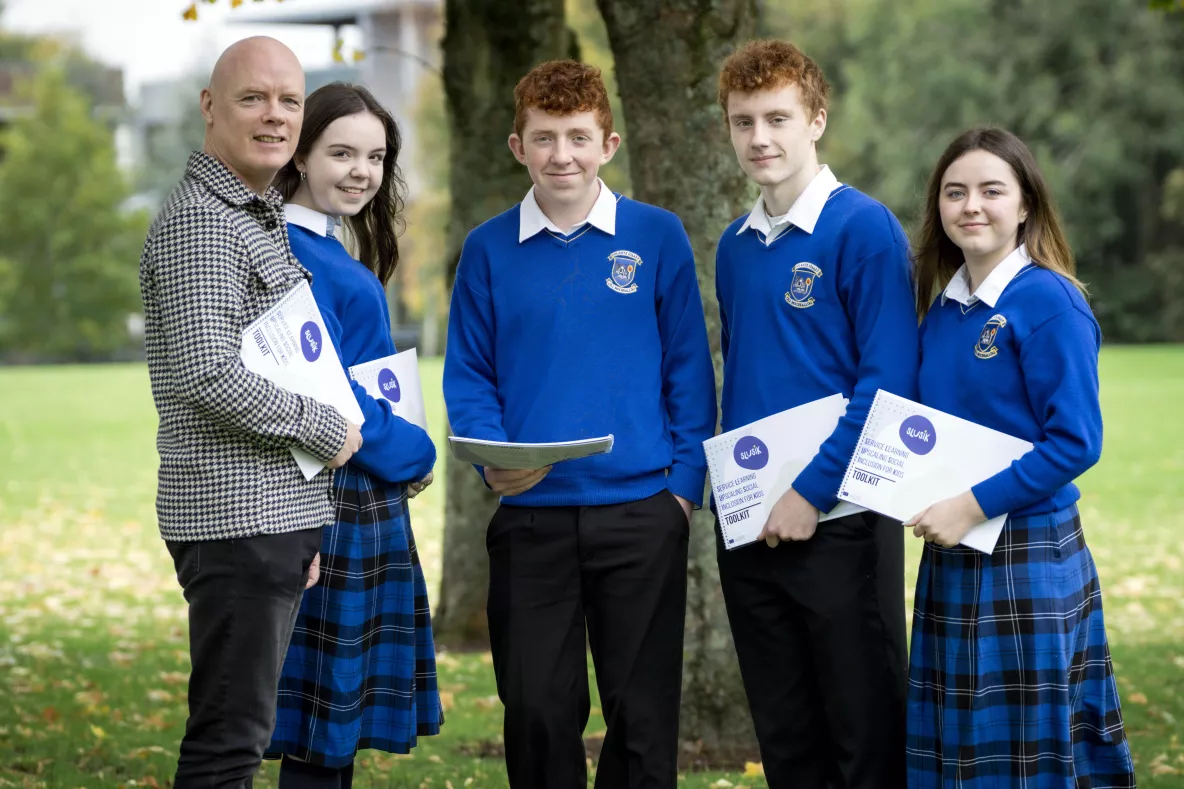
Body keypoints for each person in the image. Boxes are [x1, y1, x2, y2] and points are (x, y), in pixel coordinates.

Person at [442, 59, 717, 789]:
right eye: (543, 138)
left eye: (577, 137)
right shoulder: (486, 249)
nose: (561, 154)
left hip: (641, 513)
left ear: (609, 143)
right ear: (516, 146)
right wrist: (491, 461)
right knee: (535, 705)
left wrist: (682, 493)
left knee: (642, 713)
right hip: (531, 514)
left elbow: (688, 369)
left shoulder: (657, 238)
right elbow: (468, 375)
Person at [138, 37, 363, 789]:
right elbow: (209, 374)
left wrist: (302, 516)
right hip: (237, 524)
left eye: (290, 101)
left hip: (267, 519)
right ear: (210, 107)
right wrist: (328, 429)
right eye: (253, 98)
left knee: (243, 728)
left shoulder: (252, 213)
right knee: (229, 744)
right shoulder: (205, 222)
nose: (275, 116)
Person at [904, 126, 1136, 788]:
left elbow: (1076, 441)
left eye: (990, 190)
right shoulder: (941, 309)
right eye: (955, 192)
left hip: (1029, 550)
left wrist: (970, 504)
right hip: (952, 548)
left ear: (1025, 204)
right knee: (960, 741)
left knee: (1028, 754)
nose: (971, 206)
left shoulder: (1050, 301)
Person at [712, 39, 915, 788]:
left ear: (816, 120)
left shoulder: (863, 229)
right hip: (752, 521)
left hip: (842, 519)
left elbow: (887, 382)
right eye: (742, 121)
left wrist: (812, 491)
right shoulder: (734, 246)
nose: (759, 138)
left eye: (777, 118)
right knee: (786, 732)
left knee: (863, 730)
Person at [258, 82, 441, 789]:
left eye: (376, 156)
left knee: (325, 734)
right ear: (301, 153)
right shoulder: (299, 253)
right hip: (339, 498)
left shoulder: (326, 248)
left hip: (347, 492)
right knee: (321, 735)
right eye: (341, 152)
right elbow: (335, 398)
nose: (361, 171)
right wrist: (417, 450)